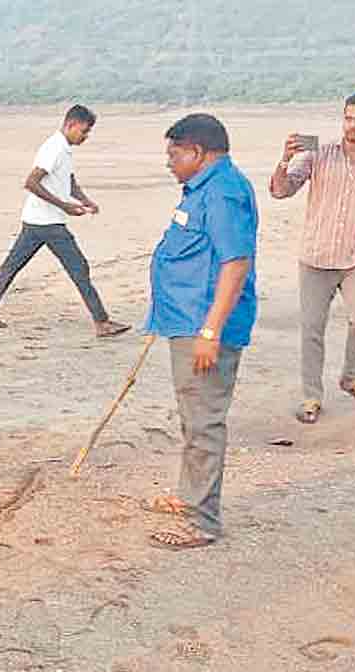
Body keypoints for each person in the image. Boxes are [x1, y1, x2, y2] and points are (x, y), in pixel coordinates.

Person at [142, 113, 258, 551]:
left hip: (204, 326)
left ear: (197, 152)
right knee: (193, 417)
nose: (169, 163)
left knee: (204, 421)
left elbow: (235, 262)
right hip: (185, 321)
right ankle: (189, 497)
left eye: (174, 154)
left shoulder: (224, 192)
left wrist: (211, 330)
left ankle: (202, 521)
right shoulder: (203, 189)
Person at [269, 93, 355, 424]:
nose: (352, 125)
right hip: (316, 257)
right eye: (348, 118)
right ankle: (311, 397)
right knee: (312, 330)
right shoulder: (318, 153)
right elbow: (281, 190)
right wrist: (285, 160)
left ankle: (350, 374)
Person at [0, 105, 130, 337]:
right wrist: (65, 206)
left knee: (10, 267)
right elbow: (31, 182)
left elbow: (69, 181)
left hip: (36, 221)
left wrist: (86, 200)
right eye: (84, 131)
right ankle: (102, 322)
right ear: (70, 124)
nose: (85, 137)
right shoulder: (54, 148)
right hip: (49, 224)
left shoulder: (64, 149)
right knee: (79, 269)